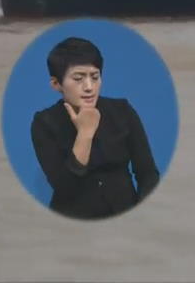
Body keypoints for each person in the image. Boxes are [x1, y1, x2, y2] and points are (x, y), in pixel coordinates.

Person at [30, 37, 159, 220]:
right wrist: (85, 134)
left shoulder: (122, 111)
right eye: (78, 78)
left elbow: (148, 174)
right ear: (56, 84)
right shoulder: (44, 123)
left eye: (95, 77)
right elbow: (65, 187)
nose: (89, 87)